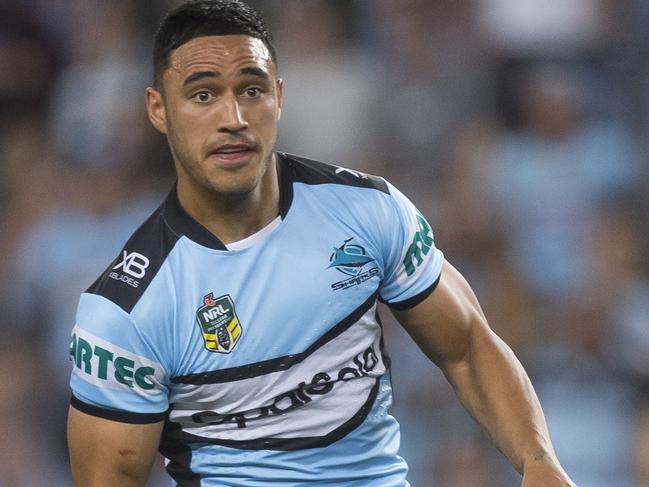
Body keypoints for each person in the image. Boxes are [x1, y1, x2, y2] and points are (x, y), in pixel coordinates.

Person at [66, 1, 576, 485]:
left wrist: (539, 461)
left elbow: (466, 349)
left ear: (280, 97)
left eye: (251, 90)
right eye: (203, 95)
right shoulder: (125, 310)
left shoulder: (367, 210)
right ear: (158, 109)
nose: (234, 118)